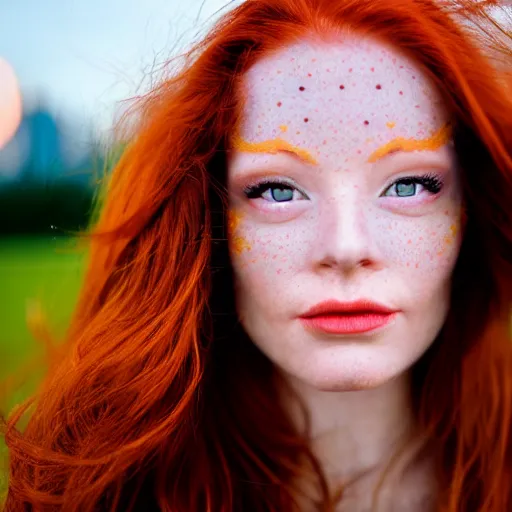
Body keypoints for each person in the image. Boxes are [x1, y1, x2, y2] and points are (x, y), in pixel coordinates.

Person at [2, 0, 511, 510]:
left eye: (408, 185)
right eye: (278, 191)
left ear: (470, 206)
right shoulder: (114, 496)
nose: (347, 248)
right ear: (210, 216)